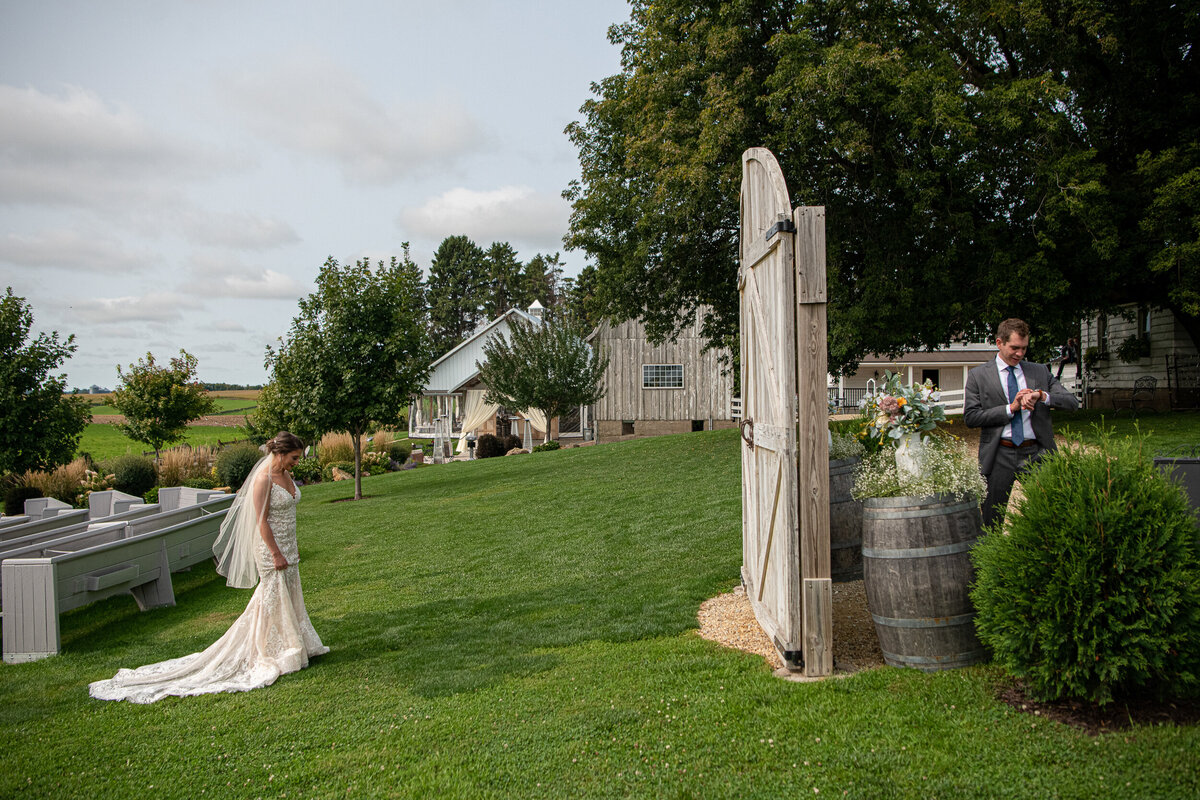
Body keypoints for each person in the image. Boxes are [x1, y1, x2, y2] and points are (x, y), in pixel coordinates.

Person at [89, 432, 328, 704]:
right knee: (270, 598)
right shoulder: (263, 480)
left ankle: (292, 644)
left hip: (289, 545)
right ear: (280, 453)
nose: (297, 462)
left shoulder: (285, 475)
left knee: (286, 595)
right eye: (294, 457)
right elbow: (261, 522)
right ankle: (272, 650)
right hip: (270, 548)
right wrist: (275, 554)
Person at [964, 319, 1079, 530]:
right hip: (999, 455)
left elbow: (1072, 403)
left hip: (1037, 453)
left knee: (1051, 515)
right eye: (1014, 348)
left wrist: (1042, 395)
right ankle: (993, 562)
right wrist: (1011, 408)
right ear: (999, 343)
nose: (1020, 354)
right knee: (992, 520)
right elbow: (971, 417)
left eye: (1024, 348)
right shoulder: (978, 376)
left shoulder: (1039, 372)